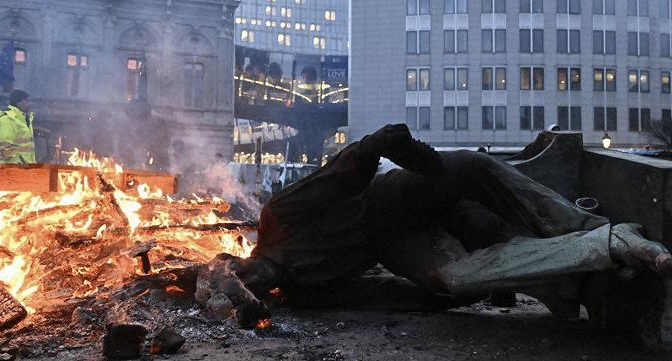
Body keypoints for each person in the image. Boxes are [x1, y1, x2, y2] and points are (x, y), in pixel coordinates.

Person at [206, 124, 672, 323]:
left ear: (240, 259)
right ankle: (605, 245)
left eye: (241, 275)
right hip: (396, 240)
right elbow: (380, 296)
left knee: (473, 167)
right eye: (252, 291)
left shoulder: (277, 217)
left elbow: (348, 168)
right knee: (455, 276)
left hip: (391, 196)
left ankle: (585, 224)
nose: (254, 283)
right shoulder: (303, 291)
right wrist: (437, 299)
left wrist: (398, 148)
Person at [0, 89, 49, 164]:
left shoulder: (25, 119)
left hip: (26, 167)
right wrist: (19, 163)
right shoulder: (7, 119)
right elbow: (5, 147)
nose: (30, 104)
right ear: (18, 102)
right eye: (27, 101)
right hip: (14, 168)